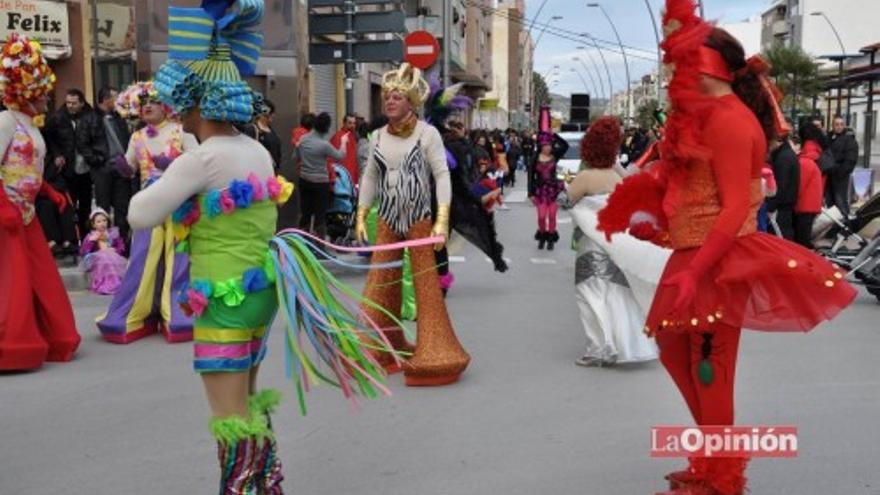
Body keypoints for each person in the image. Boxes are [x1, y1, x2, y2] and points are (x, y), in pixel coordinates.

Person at [598, 8, 856, 493]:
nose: (672, 74)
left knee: (709, 366)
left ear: (706, 65)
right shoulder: (704, 117)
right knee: (675, 349)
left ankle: (721, 477)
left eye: (678, 62)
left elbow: (736, 203)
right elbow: (694, 190)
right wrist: (660, 226)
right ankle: (714, 453)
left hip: (717, 259)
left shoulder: (731, 121)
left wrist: (697, 273)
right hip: (692, 253)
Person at [356, 62, 470, 386]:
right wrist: (362, 214)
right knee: (382, 281)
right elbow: (370, 177)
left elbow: (441, 175)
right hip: (388, 216)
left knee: (426, 286)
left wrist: (441, 221)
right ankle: (381, 346)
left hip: (420, 217)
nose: (389, 101)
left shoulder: (428, 133)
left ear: (411, 102)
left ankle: (436, 350)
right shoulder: (377, 135)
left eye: (397, 96)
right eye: (387, 97)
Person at [0, 33, 81, 370]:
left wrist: (49, 191)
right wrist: (4, 207)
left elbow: (27, 168)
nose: (50, 97)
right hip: (7, 215)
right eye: (44, 91)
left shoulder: (31, 126)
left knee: (42, 279)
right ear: (28, 90)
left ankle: (51, 337)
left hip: (27, 213)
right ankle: (13, 346)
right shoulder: (5, 121)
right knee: (14, 282)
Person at [95, 81, 199, 344]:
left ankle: (177, 312)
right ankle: (142, 310)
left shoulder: (181, 131)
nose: (147, 107)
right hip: (149, 202)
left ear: (166, 105)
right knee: (143, 256)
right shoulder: (137, 136)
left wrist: (177, 164)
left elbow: (200, 163)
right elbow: (130, 165)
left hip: (178, 202)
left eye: (152, 101)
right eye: (142, 104)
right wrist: (123, 168)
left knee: (179, 259)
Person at [565, 116, 661, 367]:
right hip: (615, 245)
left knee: (589, 293)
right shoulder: (617, 177)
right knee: (616, 294)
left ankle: (599, 347)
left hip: (591, 246)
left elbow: (564, 201)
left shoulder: (585, 177)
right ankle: (622, 344)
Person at [44, 88, 107, 236]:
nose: (70, 106)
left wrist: (95, 157)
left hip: (86, 167)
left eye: (74, 103)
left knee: (86, 204)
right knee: (69, 204)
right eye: (68, 103)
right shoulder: (58, 118)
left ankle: (86, 234)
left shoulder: (91, 117)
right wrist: (57, 154)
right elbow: (49, 137)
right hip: (68, 168)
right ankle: (71, 236)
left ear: (82, 103)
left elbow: (98, 138)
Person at [294, 111, 348, 239]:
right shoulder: (324, 145)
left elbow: (296, 157)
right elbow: (340, 156)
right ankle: (320, 246)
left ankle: (302, 242)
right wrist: (343, 142)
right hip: (320, 183)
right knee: (320, 215)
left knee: (305, 213)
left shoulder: (303, 139)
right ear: (326, 128)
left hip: (304, 180)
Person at [94, 86, 133, 241]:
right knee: (103, 206)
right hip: (102, 167)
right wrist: (96, 160)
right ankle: (103, 239)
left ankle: (121, 239)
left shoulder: (119, 117)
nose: (119, 101)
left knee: (122, 205)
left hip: (120, 166)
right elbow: (84, 142)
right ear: (106, 100)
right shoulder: (92, 117)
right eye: (115, 97)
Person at [528, 122, 569, 250]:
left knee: (552, 216)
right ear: (541, 146)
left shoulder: (554, 156)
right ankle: (541, 236)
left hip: (554, 190)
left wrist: (554, 134)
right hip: (540, 191)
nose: (548, 148)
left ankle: (551, 239)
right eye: (545, 145)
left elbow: (565, 146)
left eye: (549, 145)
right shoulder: (535, 158)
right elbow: (530, 176)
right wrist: (530, 193)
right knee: (541, 216)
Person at [80, 208, 127, 295]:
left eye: (104, 220)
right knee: (104, 257)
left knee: (110, 257)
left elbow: (121, 246)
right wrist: (92, 241)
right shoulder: (91, 236)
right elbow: (84, 251)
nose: (102, 223)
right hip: (96, 259)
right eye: (98, 221)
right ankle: (103, 283)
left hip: (112, 257)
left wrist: (115, 249)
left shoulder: (112, 234)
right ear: (93, 224)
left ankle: (115, 281)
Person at [795, 122, 824, 248]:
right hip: (811, 205)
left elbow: (800, 186)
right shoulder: (813, 156)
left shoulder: (805, 161)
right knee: (804, 238)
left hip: (804, 206)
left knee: (801, 241)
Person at [766, 133, 799, 241]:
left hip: (782, 206)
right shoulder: (787, 154)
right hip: (786, 204)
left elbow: (780, 185)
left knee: (781, 237)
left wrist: (770, 206)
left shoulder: (783, 158)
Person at [826, 115, 859, 215]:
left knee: (840, 202)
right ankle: (835, 227)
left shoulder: (849, 140)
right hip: (829, 175)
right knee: (830, 203)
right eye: (836, 124)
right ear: (832, 125)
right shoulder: (828, 138)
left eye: (841, 124)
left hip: (840, 177)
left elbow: (850, 160)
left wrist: (840, 172)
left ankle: (845, 225)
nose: (839, 127)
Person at [240, 99, 282, 170]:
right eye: (270, 112)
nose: (272, 115)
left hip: (272, 171)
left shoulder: (271, 130)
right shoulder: (252, 129)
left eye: (272, 112)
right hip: (258, 171)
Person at [330, 112, 359, 185]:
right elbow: (333, 159)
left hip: (351, 176)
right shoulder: (338, 137)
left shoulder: (353, 136)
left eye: (354, 123)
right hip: (343, 177)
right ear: (344, 123)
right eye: (350, 123)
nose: (352, 125)